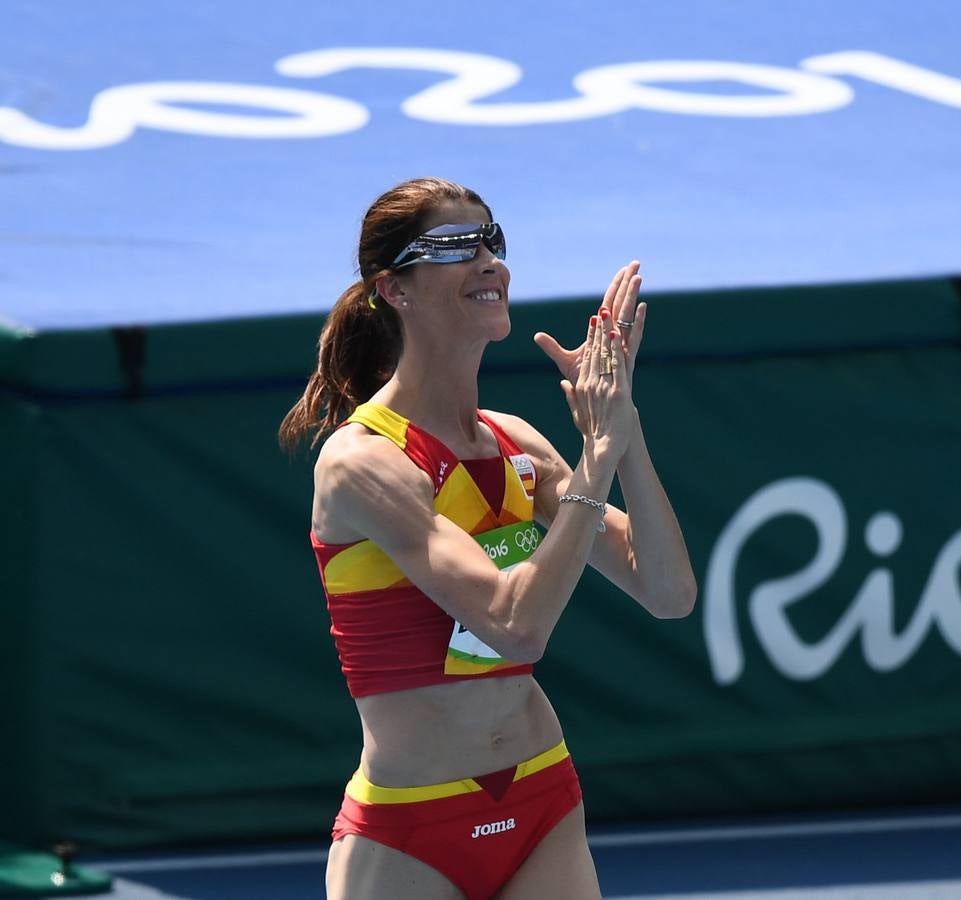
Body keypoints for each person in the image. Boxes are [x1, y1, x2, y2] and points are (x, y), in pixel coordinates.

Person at [278, 176, 697, 899]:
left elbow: (667, 592)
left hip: (540, 795)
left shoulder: (517, 445)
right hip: (411, 826)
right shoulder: (364, 462)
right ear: (394, 288)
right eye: (453, 246)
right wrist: (597, 455)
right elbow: (514, 626)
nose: (489, 261)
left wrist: (623, 432)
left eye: (492, 241)